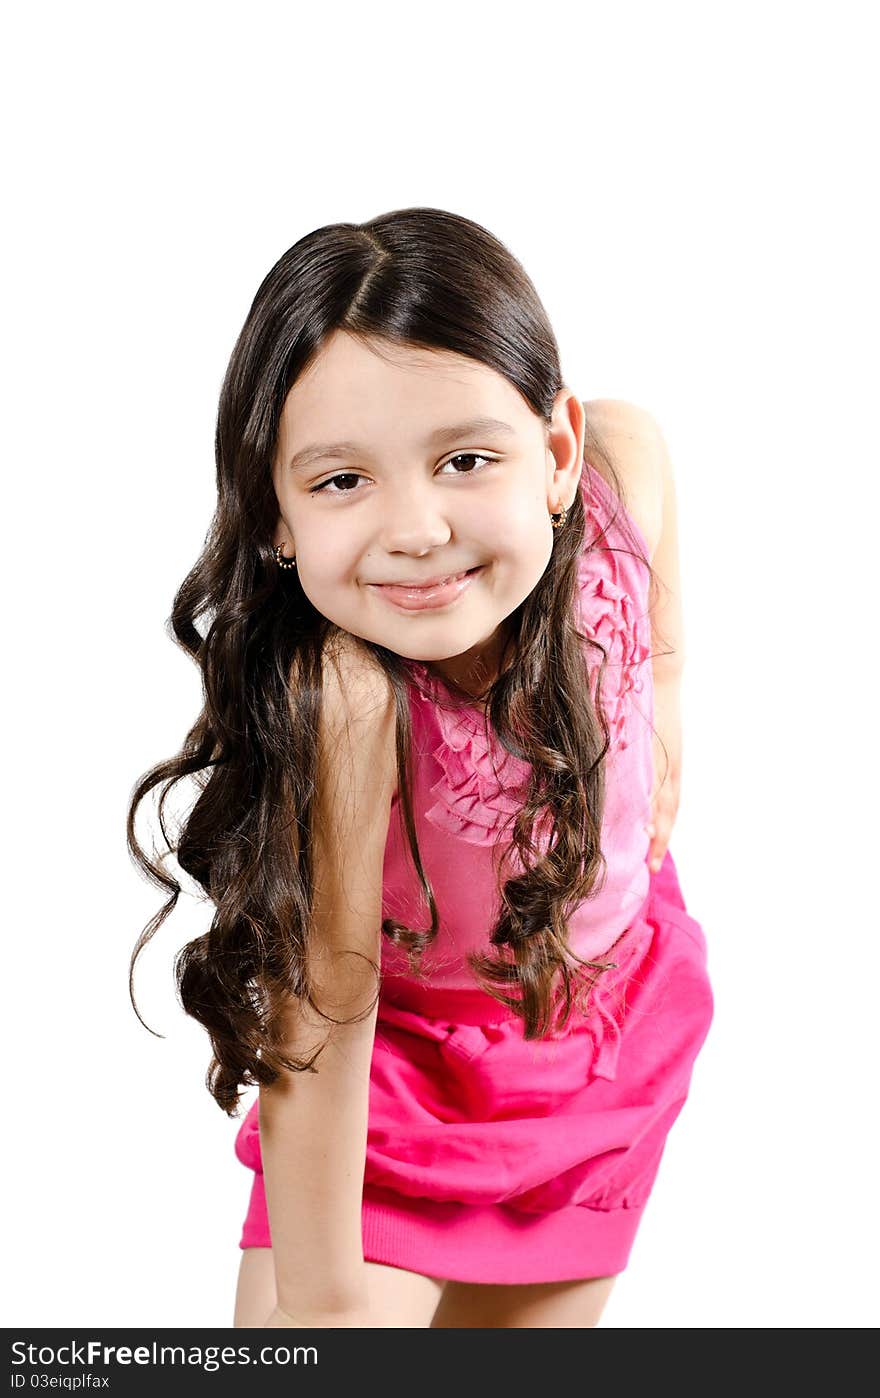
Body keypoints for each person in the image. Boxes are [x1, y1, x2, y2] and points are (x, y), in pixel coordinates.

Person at [127, 206, 714, 1329]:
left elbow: (635, 433)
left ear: (554, 455)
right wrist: (324, 1294)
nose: (416, 528)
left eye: (463, 460)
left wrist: (668, 680)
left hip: (598, 1040)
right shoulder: (350, 705)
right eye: (341, 482)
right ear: (276, 519)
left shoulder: (615, 477)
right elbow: (324, 1007)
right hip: (394, 1084)